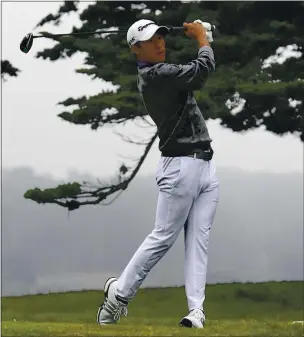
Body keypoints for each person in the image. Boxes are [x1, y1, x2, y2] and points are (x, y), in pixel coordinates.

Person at [96, 19, 219, 329]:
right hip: (179, 167)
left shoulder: (163, 71)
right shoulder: (154, 76)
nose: (160, 43)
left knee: (198, 241)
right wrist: (203, 39)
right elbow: (199, 72)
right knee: (163, 237)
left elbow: (195, 67)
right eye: (151, 40)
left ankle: (196, 312)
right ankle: (117, 298)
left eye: (161, 37)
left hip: (205, 164)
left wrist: (205, 42)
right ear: (136, 48)